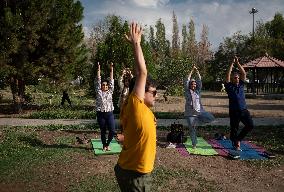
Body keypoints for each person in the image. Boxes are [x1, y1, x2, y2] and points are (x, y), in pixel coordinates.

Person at [114, 22, 157, 192]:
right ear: (140, 92)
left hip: (132, 169)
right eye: (153, 92)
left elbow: (133, 132)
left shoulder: (142, 110)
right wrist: (136, 43)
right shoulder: (135, 104)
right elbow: (141, 73)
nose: (156, 95)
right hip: (135, 175)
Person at [225, 56, 254, 151]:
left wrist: (238, 63)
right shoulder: (229, 86)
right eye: (235, 78)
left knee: (250, 125)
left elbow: (244, 73)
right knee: (234, 129)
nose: (237, 78)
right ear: (232, 79)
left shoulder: (241, 84)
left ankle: (238, 139)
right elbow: (228, 75)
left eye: (237, 77)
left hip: (244, 110)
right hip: (234, 111)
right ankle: (235, 144)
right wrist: (231, 64)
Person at [183, 65, 215, 149]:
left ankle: (196, 123)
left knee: (211, 118)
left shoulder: (198, 91)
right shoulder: (187, 91)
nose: (194, 85)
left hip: (200, 112)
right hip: (190, 114)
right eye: (192, 84)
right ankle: (194, 143)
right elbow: (186, 80)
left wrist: (197, 71)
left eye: (195, 84)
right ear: (190, 85)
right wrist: (191, 70)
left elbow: (199, 80)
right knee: (192, 129)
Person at [95, 62, 116, 151]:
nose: (105, 86)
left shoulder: (110, 91)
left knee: (112, 131)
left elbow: (111, 80)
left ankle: (108, 143)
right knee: (103, 131)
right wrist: (99, 69)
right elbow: (98, 79)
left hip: (109, 114)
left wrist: (111, 69)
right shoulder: (98, 91)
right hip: (101, 114)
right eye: (103, 85)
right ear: (101, 86)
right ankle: (104, 145)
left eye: (106, 85)